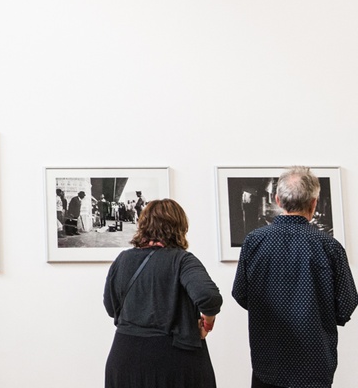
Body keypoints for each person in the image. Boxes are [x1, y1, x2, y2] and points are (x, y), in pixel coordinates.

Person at [232, 166, 358, 388]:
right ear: (313, 203)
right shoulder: (329, 246)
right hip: (315, 363)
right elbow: (346, 305)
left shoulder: (254, 241)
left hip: (267, 362)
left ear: (278, 200)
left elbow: (241, 295)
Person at [103, 198, 221, 388]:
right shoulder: (182, 260)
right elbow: (209, 297)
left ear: (143, 225)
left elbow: (111, 308)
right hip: (173, 358)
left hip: (125, 357)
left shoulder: (122, 259)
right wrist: (207, 323)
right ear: (180, 227)